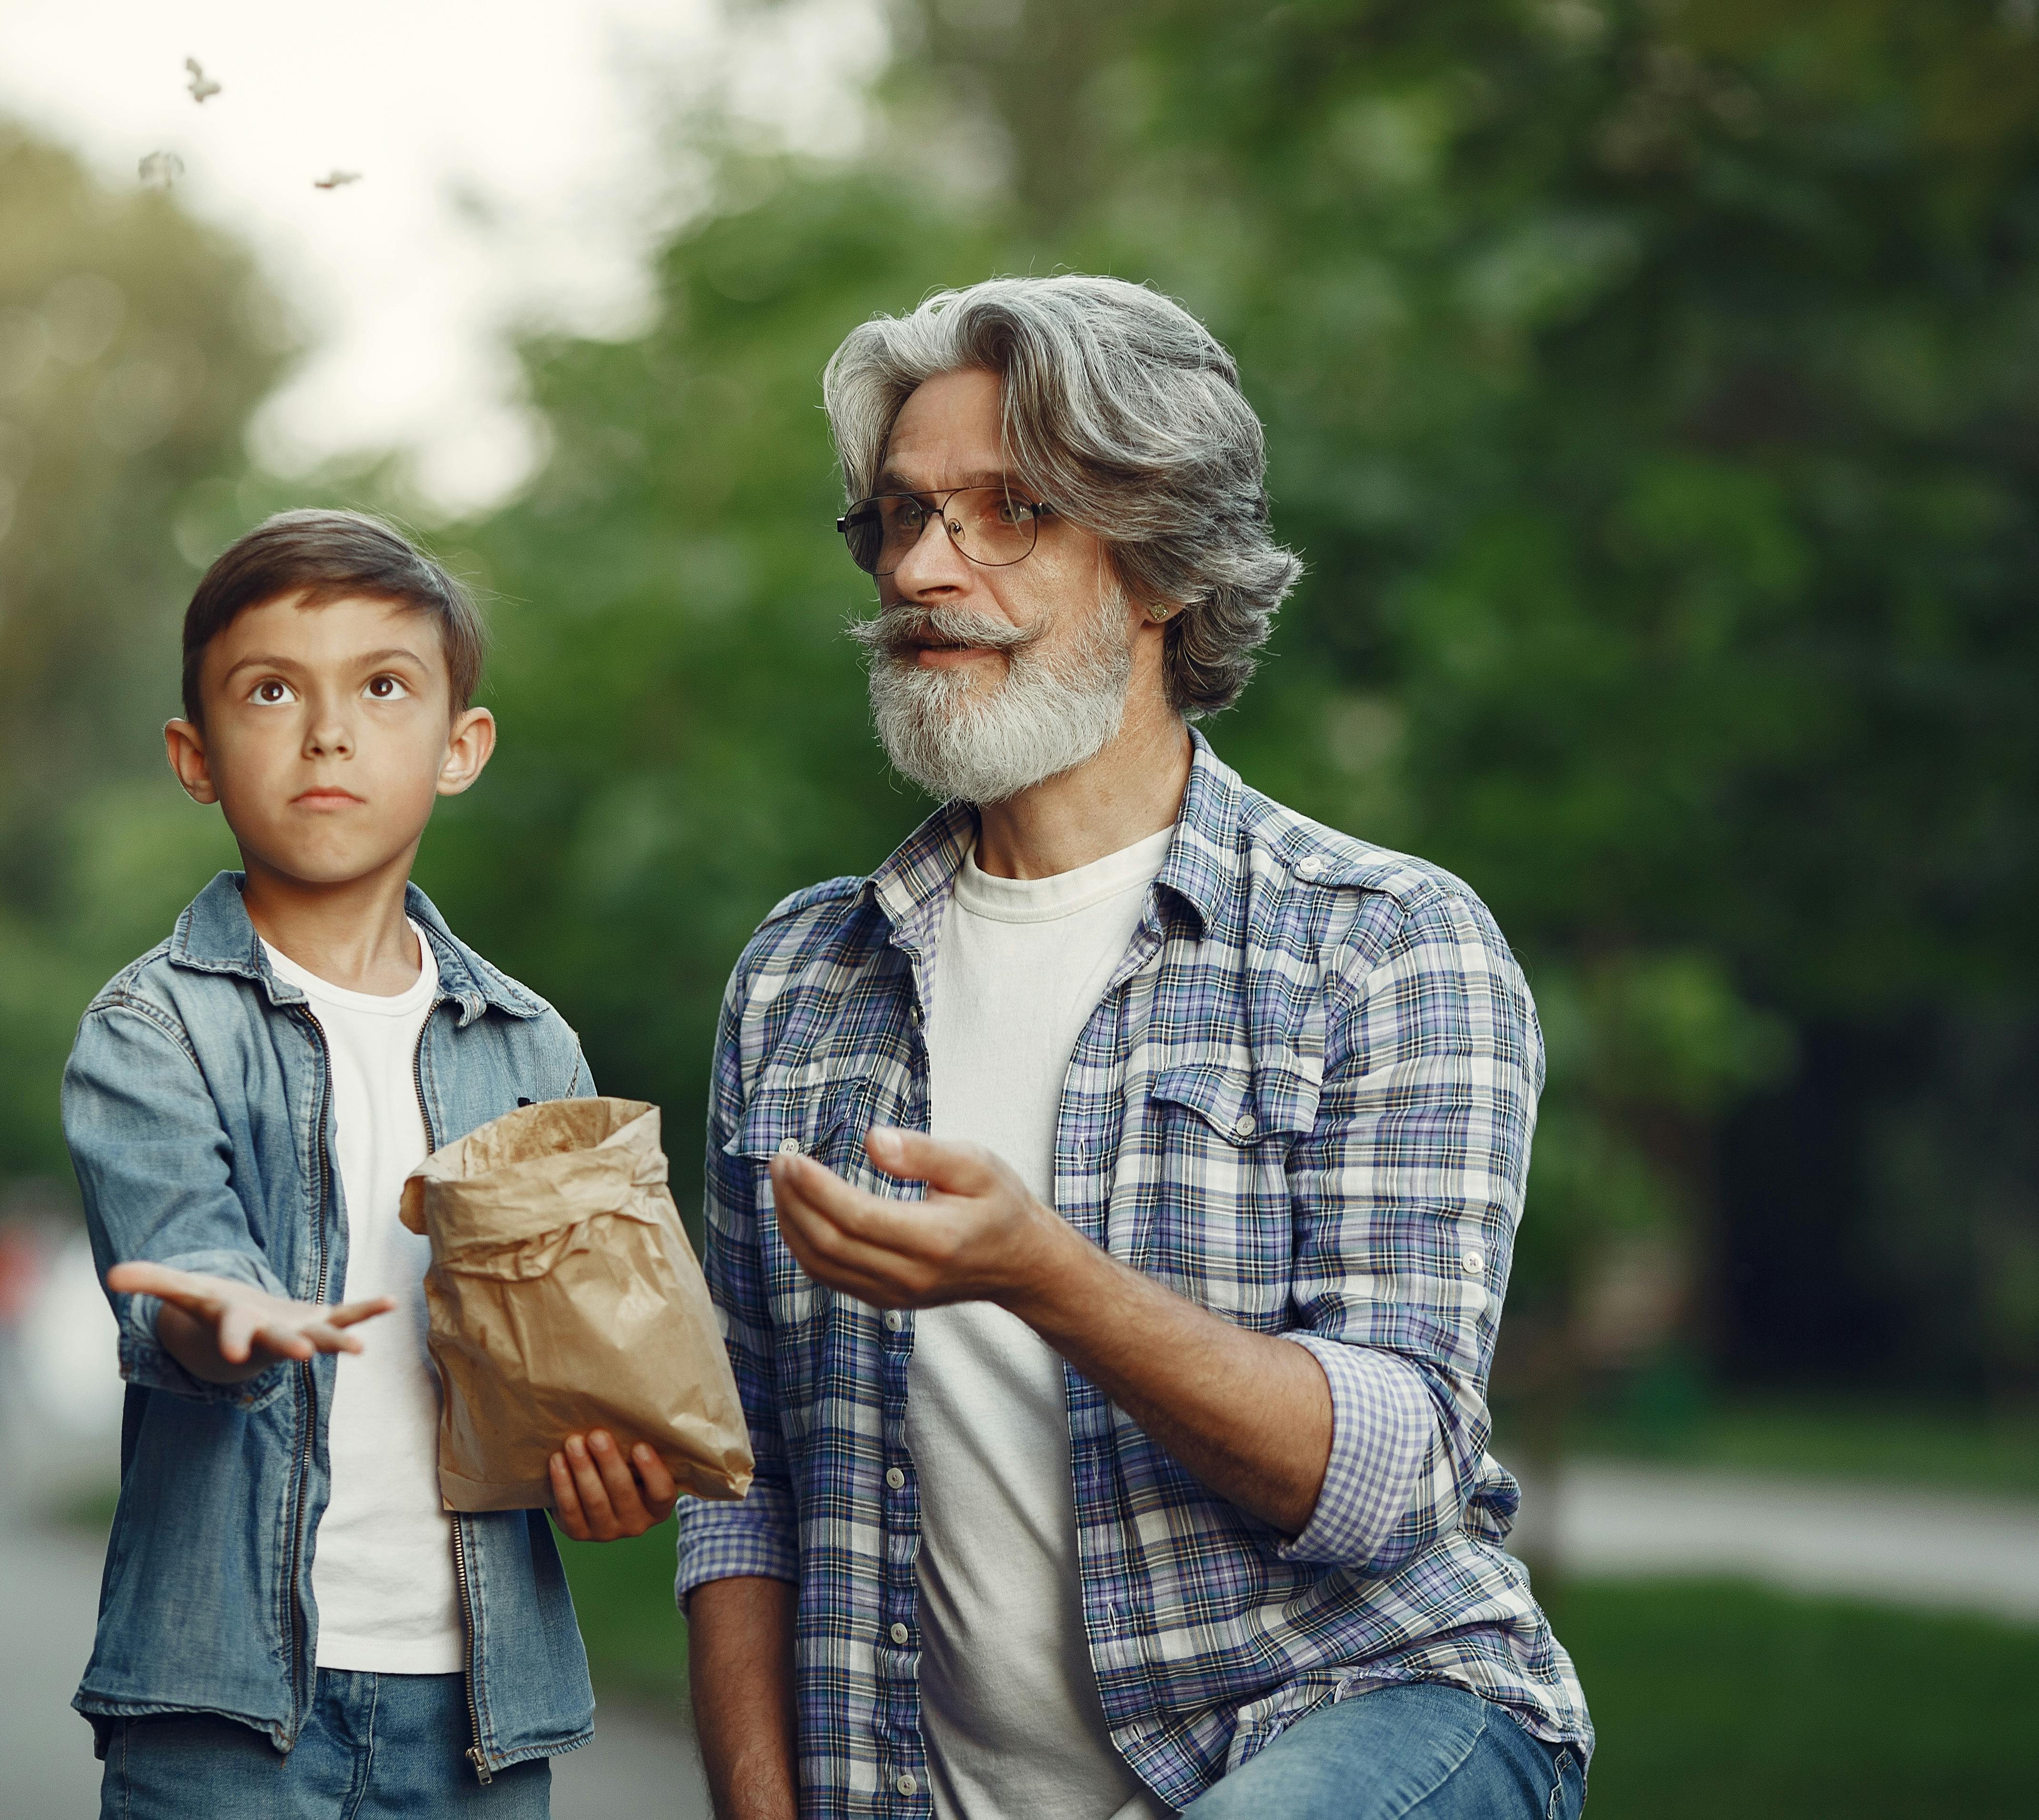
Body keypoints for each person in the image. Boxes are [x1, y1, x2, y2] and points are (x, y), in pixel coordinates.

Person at [677, 278, 1592, 1820]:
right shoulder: (798, 981)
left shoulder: (1384, 945)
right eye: (900, 516)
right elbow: (742, 1481)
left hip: (1367, 1708)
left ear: (1164, 562)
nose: (920, 566)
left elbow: (1383, 1480)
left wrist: (1041, 1273)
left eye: (1007, 512)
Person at [63, 509, 676, 1817]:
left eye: (382, 687)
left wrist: (611, 1465)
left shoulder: (531, 1044)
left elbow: (575, 1358)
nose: (326, 732)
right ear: (195, 756)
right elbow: (181, 1268)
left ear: (462, 745)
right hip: (223, 1712)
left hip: (481, 1717)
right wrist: (214, 1319)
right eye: (271, 690)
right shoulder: (151, 1030)